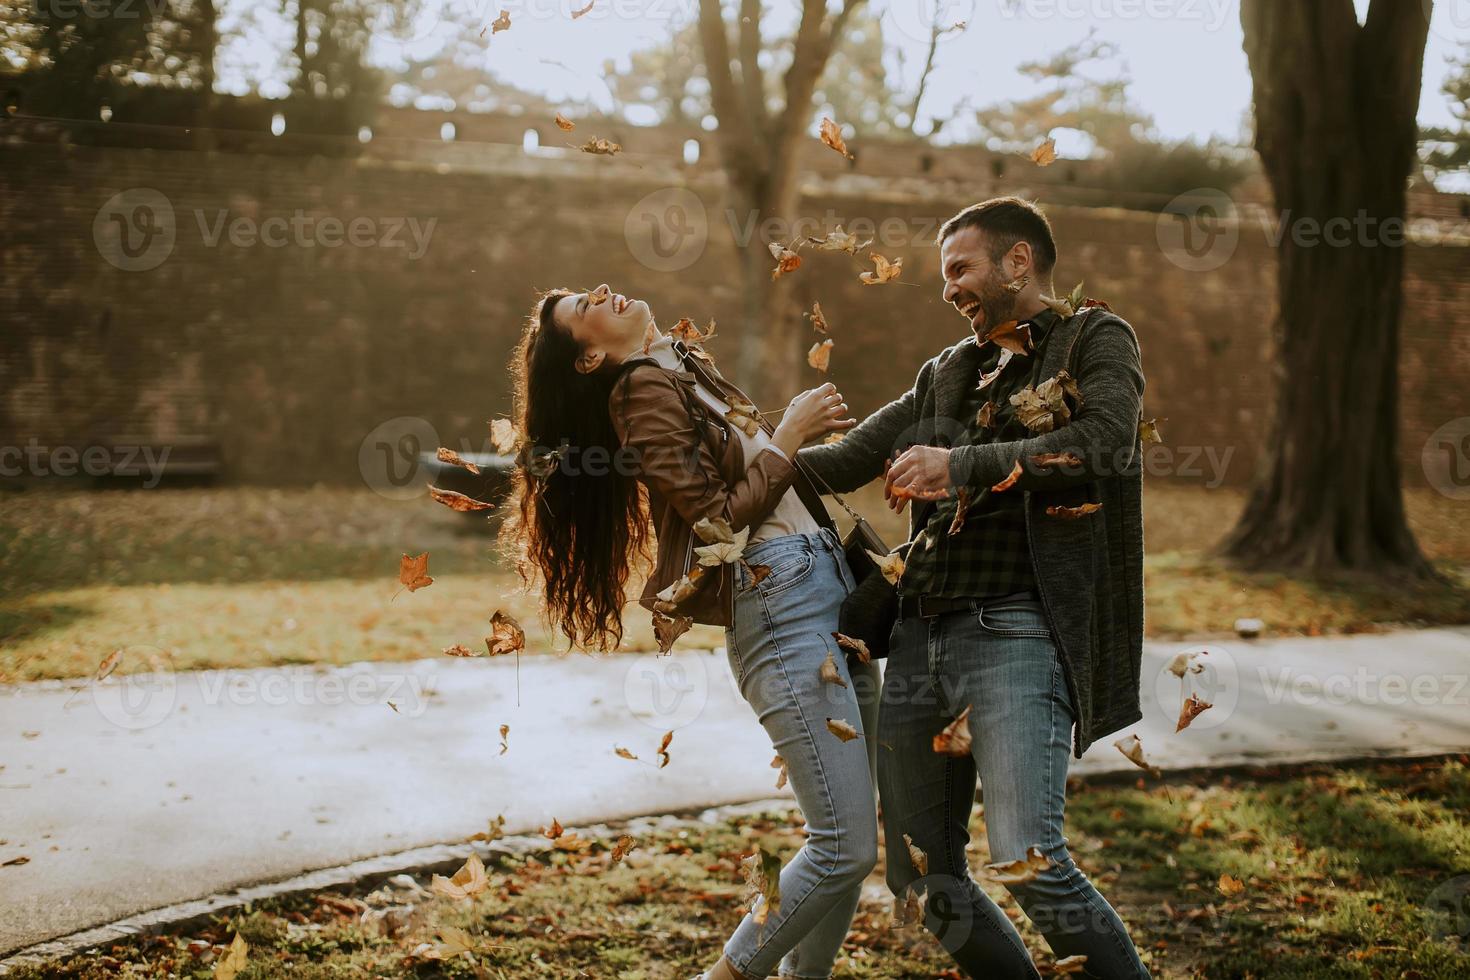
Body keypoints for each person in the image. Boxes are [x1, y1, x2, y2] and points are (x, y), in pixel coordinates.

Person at [799, 198, 1152, 978]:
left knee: (1030, 857)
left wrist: (958, 466)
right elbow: (839, 461)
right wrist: (737, 447)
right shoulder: (946, 373)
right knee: (922, 875)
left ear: (1018, 262)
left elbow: (1104, 443)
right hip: (920, 641)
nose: (948, 287)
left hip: (1017, 634)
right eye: (943, 274)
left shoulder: (1094, 337)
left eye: (960, 268)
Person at [502, 284, 882, 980]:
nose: (603, 291)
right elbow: (715, 526)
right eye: (584, 310)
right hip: (781, 608)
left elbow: (762, 480)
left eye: (591, 288)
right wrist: (790, 433)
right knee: (842, 847)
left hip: (827, 595)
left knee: (848, 847)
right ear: (589, 360)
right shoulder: (640, 392)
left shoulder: (679, 365)